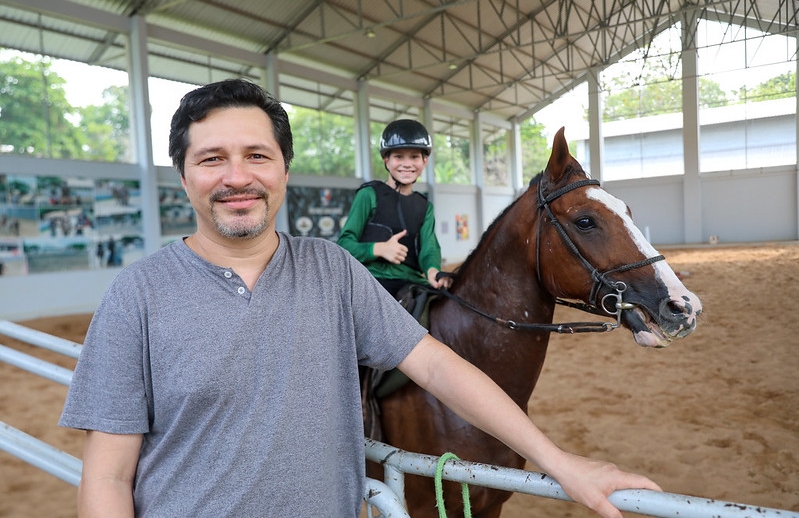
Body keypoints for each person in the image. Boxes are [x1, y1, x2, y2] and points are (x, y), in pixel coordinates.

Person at [59, 79, 659, 518]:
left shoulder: (330, 269)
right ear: (185, 175)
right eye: (212, 158)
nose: (236, 176)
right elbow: (108, 474)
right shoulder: (136, 295)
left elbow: (436, 364)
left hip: (405, 288)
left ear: (283, 172)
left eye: (257, 156)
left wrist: (558, 460)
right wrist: (385, 257)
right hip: (384, 279)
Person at [338, 119, 451, 298]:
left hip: (412, 282)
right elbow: (344, 244)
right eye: (399, 157)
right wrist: (379, 249)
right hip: (373, 280)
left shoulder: (425, 206)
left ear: (425, 160)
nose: (407, 164)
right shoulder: (368, 195)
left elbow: (429, 249)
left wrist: (433, 271)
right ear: (386, 160)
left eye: (414, 157)